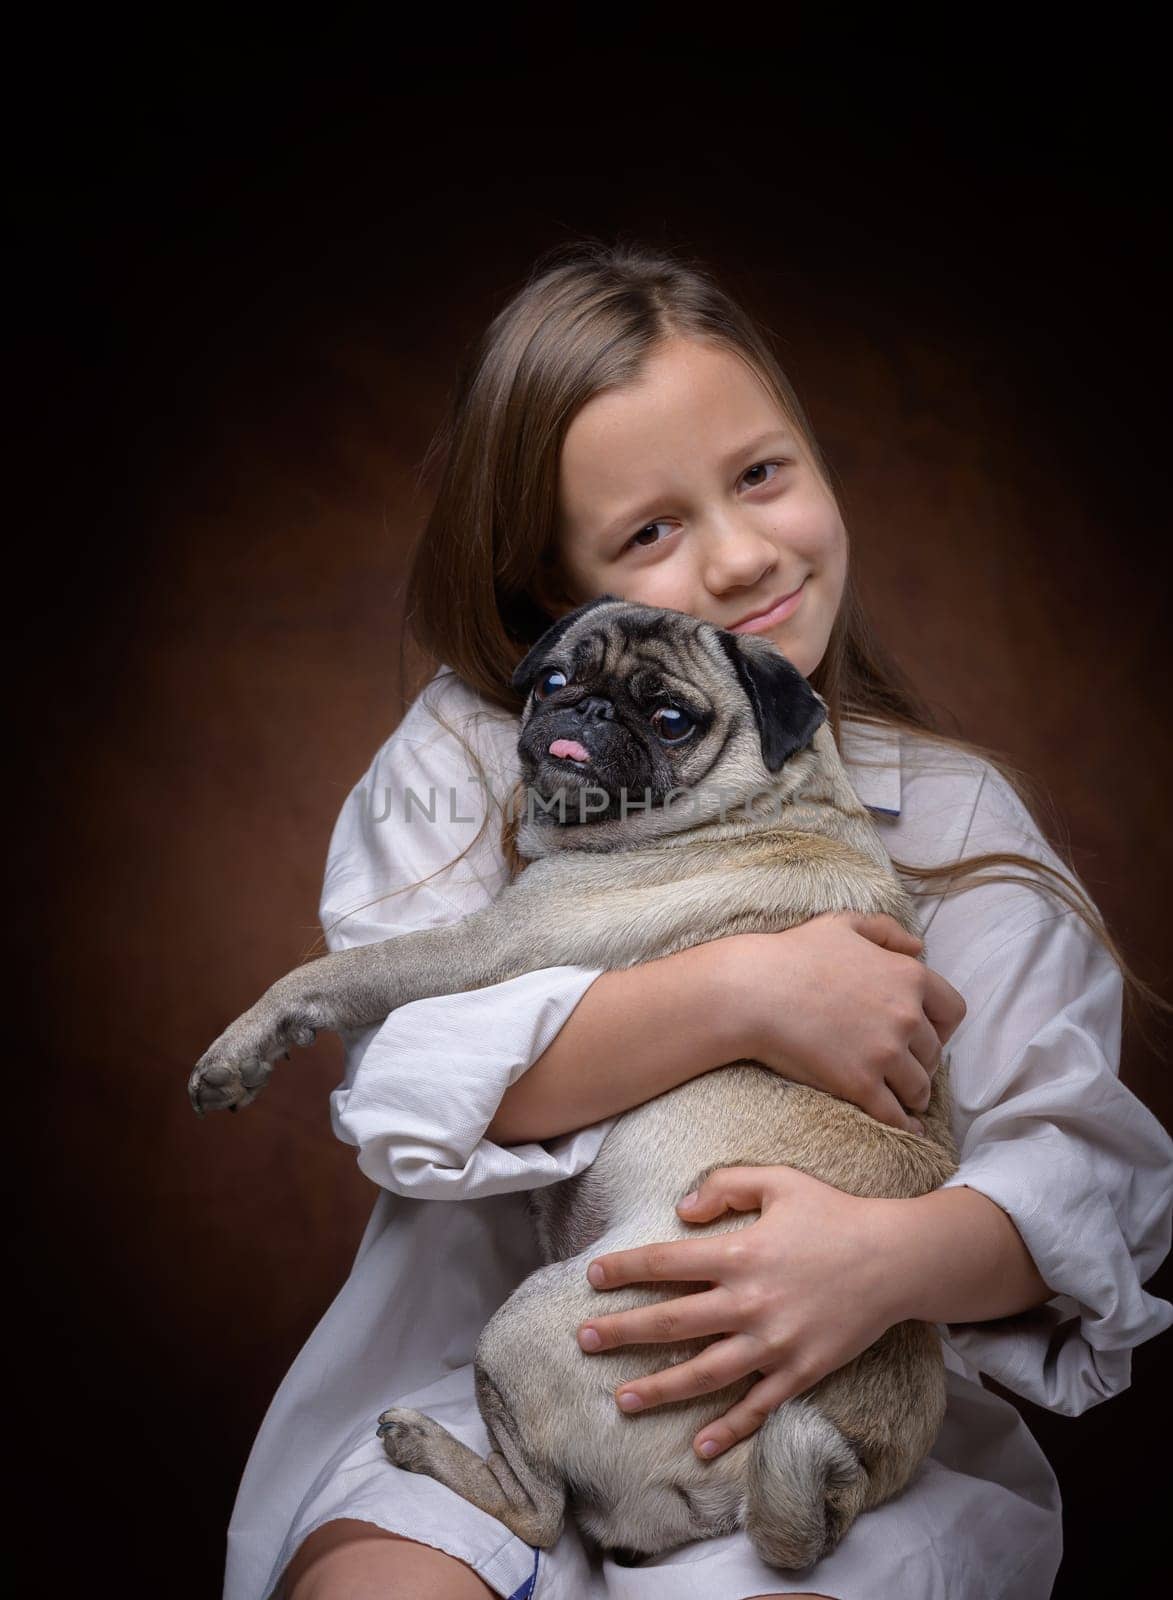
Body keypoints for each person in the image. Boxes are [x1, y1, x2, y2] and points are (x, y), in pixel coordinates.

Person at [223, 241, 1173, 1600]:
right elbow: (409, 1077)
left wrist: (880, 1259)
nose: (737, 557)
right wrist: (743, 994)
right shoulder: (470, 764)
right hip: (500, 1370)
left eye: (760, 474)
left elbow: (1088, 1180)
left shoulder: (954, 820)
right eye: (648, 532)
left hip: (826, 1403)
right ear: (557, 593)